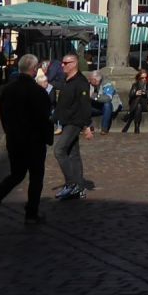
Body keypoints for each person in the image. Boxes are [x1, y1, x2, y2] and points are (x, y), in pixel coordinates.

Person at [0, 54, 53, 225]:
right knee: (36, 176)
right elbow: (44, 119)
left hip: (14, 139)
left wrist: (9, 132)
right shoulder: (38, 92)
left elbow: (3, 116)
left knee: (17, 174)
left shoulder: (7, 90)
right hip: (34, 141)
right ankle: (31, 213)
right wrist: (48, 138)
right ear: (34, 70)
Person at [52, 53, 93, 200]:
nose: (62, 65)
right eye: (62, 62)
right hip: (66, 120)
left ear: (74, 64)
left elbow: (85, 105)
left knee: (59, 150)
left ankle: (71, 184)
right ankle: (79, 188)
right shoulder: (67, 80)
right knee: (73, 154)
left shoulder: (81, 82)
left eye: (65, 63)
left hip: (75, 122)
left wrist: (87, 126)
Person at [121, 70, 148, 134]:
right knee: (138, 106)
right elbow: (130, 95)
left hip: (147, 104)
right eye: (142, 78)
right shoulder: (135, 85)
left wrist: (145, 94)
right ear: (138, 78)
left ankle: (128, 115)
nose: (144, 79)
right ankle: (136, 127)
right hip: (138, 105)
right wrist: (135, 93)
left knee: (139, 98)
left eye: (145, 77)